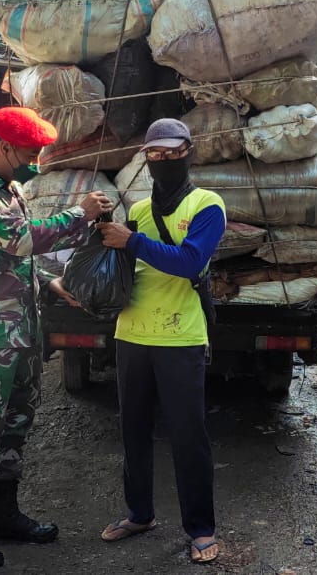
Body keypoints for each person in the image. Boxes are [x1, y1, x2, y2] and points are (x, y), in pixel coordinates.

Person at [0, 106, 114, 570]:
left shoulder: (11, 189)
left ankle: (5, 515)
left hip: (21, 332)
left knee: (16, 425)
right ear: (3, 146)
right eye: (29, 152)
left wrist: (52, 284)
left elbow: (15, 261)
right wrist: (77, 215)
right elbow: (21, 241)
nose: (34, 160)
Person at [91, 118, 227, 564]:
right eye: (156, 154)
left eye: (173, 153)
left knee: (188, 436)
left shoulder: (208, 205)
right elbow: (124, 264)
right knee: (132, 432)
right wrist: (99, 229)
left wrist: (131, 242)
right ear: (145, 158)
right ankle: (140, 513)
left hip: (181, 338)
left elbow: (190, 262)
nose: (165, 161)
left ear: (189, 151)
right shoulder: (138, 211)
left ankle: (201, 528)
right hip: (131, 334)